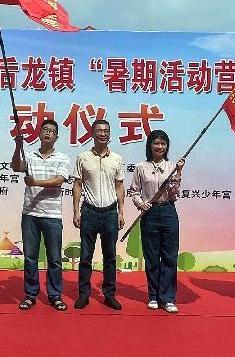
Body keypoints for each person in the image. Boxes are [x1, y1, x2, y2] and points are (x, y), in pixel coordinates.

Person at [12, 119, 71, 311]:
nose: (48, 133)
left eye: (52, 131)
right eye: (45, 129)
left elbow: (58, 181)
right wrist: (18, 146)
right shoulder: (29, 155)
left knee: (54, 258)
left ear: (56, 137)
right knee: (30, 257)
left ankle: (55, 296)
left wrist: (35, 182)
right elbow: (16, 167)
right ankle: (31, 295)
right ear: (39, 134)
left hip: (52, 215)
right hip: (30, 214)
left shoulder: (62, 158)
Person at [129, 130, 184, 313]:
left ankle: (167, 298)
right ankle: (153, 295)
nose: (160, 147)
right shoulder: (141, 167)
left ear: (167, 146)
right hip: (149, 214)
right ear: (150, 145)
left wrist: (178, 173)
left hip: (168, 211)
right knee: (152, 256)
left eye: (163, 143)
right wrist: (140, 203)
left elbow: (175, 194)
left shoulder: (172, 166)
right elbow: (134, 191)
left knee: (169, 256)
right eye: (156, 143)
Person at [72, 119, 125, 310]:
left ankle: (109, 294)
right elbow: (77, 184)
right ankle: (83, 294)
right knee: (85, 256)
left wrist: (121, 212)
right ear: (92, 134)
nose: (103, 134)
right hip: (89, 212)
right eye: (99, 131)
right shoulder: (83, 157)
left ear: (109, 134)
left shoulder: (117, 158)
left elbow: (119, 185)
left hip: (110, 213)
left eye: (106, 131)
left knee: (110, 256)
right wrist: (76, 211)